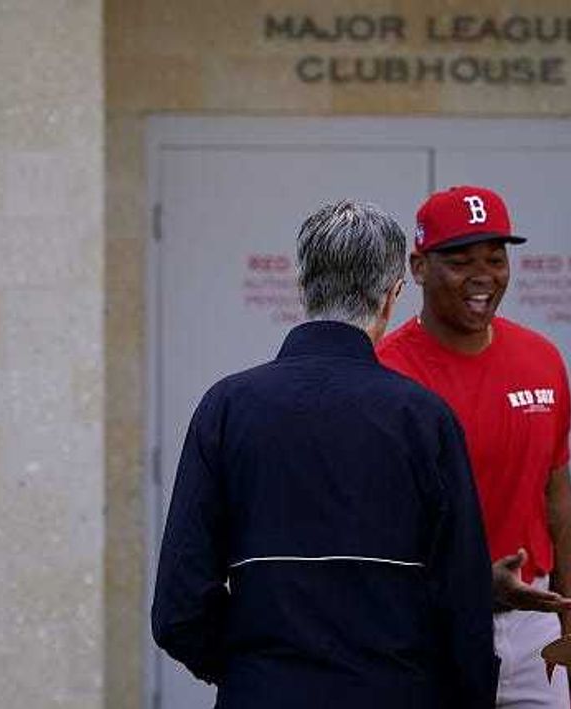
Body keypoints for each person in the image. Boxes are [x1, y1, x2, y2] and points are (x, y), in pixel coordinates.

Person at [151, 200, 498, 708]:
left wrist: (252, 670)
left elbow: (179, 609)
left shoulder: (226, 408)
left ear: (301, 286)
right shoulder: (425, 418)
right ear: (392, 295)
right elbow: (464, 607)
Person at [377, 185, 571, 708]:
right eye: (461, 260)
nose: (483, 275)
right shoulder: (385, 371)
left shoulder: (542, 358)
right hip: (428, 625)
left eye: (495, 258)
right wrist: (465, 584)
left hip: (533, 625)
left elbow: (557, 492)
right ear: (418, 267)